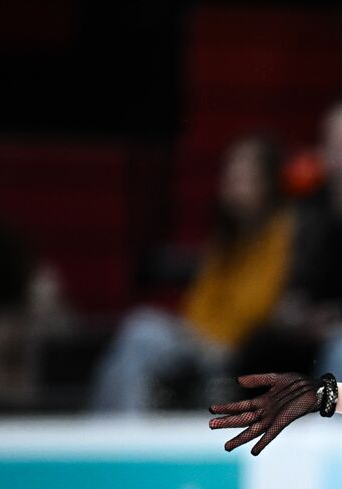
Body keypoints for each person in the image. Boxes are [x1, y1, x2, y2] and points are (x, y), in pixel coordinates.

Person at [91, 135, 292, 412]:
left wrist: (208, 337)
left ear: (268, 183)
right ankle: (112, 425)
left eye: (243, 178)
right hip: (201, 338)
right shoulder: (226, 235)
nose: (232, 187)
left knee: (139, 333)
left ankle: (122, 429)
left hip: (230, 347)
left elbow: (259, 303)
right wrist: (194, 333)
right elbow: (200, 298)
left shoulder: (281, 232)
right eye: (230, 177)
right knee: (134, 338)